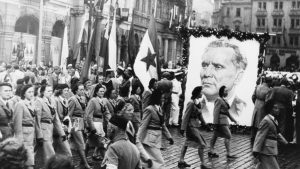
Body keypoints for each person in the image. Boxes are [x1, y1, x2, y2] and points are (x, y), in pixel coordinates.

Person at [199, 39, 248, 123]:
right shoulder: (195, 106)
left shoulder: (246, 109)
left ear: (238, 76)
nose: (207, 73)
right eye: (205, 65)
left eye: (218, 67)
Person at [137, 89, 174, 169]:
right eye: (162, 98)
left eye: (164, 98)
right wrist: (137, 139)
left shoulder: (159, 108)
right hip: (150, 140)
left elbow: (162, 124)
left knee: (152, 162)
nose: (163, 99)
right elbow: (143, 125)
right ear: (157, 98)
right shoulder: (149, 109)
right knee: (159, 162)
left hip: (156, 139)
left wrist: (169, 137)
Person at [179, 86, 210, 169]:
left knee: (187, 142)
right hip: (191, 126)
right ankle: (203, 164)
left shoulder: (197, 103)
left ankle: (181, 160)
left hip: (195, 126)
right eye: (200, 92)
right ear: (197, 93)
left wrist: (205, 124)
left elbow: (200, 115)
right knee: (201, 144)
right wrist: (182, 128)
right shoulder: (191, 103)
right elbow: (186, 116)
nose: (202, 93)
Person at [35, 85, 66, 164]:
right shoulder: (39, 101)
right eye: (48, 91)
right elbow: (37, 119)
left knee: (45, 153)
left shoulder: (52, 101)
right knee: (50, 154)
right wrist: (39, 135)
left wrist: (62, 133)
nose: (50, 93)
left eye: (51, 91)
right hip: (43, 128)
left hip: (50, 128)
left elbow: (56, 119)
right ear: (42, 92)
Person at [253, 101, 288, 169]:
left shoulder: (274, 120)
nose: (278, 110)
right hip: (267, 151)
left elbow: (277, 134)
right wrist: (256, 151)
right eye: (276, 108)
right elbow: (260, 136)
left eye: (278, 108)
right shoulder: (266, 121)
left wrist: (285, 142)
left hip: (270, 150)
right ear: (270, 109)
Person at [208, 86, 238, 159]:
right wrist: (215, 123)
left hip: (224, 120)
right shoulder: (219, 100)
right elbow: (216, 112)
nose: (226, 92)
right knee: (228, 135)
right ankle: (228, 153)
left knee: (215, 136)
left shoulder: (225, 100)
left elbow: (227, 112)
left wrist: (233, 119)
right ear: (221, 92)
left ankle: (211, 151)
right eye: (225, 91)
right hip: (220, 121)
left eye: (227, 91)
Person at [68, 83, 91, 169]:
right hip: (75, 123)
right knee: (81, 143)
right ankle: (85, 164)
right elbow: (69, 115)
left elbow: (84, 112)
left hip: (81, 122)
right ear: (76, 90)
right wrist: (69, 128)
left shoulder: (83, 98)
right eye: (80, 90)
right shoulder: (72, 100)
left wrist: (86, 124)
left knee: (81, 143)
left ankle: (82, 162)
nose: (82, 91)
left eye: (83, 89)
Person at [13, 85, 36, 169]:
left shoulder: (32, 103)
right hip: (24, 134)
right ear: (24, 93)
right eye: (29, 92)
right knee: (28, 160)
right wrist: (19, 138)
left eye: (32, 92)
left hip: (31, 134)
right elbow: (17, 123)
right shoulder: (20, 104)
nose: (31, 94)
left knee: (29, 158)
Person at [85, 84, 110, 160]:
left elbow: (106, 113)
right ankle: (106, 161)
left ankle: (84, 159)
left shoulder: (103, 101)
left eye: (103, 91)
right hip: (94, 123)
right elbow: (89, 115)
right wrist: (92, 127)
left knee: (91, 143)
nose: (102, 93)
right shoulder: (93, 101)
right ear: (96, 92)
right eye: (100, 91)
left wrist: (111, 122)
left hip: (100, 124)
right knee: (101, 143)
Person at [53, 84, 72, 158]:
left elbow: (66, 114)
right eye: (65, 91)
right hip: (57, 128)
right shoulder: (56, 100)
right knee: (67, 153)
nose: (67, 92)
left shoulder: (65, 100)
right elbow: (56, 116)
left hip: (64, 127)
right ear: (60, 91)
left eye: (68, 91)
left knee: (57, 151)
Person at [251, 77, 271, 143]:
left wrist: (256, 103)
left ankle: (252, 136)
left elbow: (253, 96)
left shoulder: (258, 87)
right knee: (260, 122)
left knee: (254, 121)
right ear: (269, 82)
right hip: (263, 106)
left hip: (256, 104)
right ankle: (258, 138)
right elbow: (267, 101)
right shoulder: (268, 90)